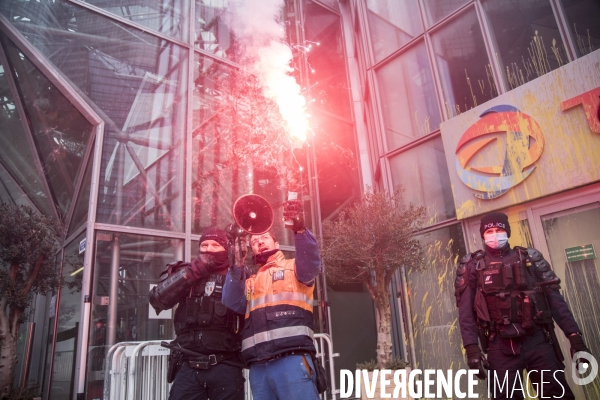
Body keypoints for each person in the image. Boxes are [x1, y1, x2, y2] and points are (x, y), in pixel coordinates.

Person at [454, 212, 591, 399]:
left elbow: (556, 301)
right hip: (499, 346)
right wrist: (471, 348)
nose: (495, 234)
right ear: (483, 235)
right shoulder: (472, 266)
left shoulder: (530, 259)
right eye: (490, 231)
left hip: (537, 341)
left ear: (507, 232)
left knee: (557, 395)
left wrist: (574, 336)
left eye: (500, 229)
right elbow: (466, 313)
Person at [222, 200, 322, 400]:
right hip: (259, 367)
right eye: (254, 242)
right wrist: (236, 262)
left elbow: (311, 262)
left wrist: (300, 231)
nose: (259, 242)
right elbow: (231, 302)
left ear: (276, 244)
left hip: (291, 360)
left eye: (264, 238)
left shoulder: (294, 267)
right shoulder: (249, 281)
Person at [148, 228, 245, 400]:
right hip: (188, 366)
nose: (209, 249)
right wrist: (192, 273)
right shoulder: (185, 271)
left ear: (226, 249)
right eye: (204, 245)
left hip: (227, 365)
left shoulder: (236, 274)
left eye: (215, 245)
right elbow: (157, 300)